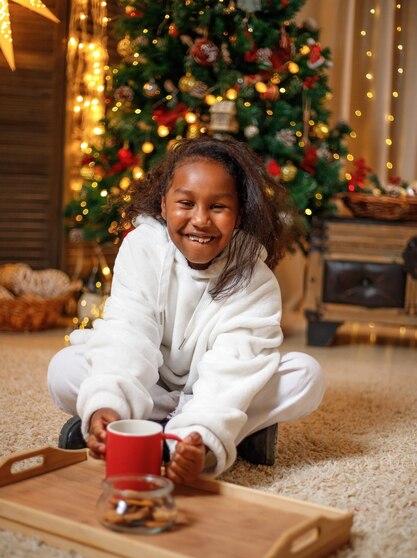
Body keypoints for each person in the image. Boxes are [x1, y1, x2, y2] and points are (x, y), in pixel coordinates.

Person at [48, 136, 325, 484]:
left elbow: (237, 367)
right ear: (163, 206)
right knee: (63, 369)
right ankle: (235, 434)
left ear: (239, 213)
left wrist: (201, 436)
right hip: (151, 385)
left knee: (305, 377)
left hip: (212, 388)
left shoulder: (254, 276)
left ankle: (170, 436)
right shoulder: (142, 247)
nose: (200, 220)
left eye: (218, 207)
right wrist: (107, 403)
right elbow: (128, 332)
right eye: (186, 203)